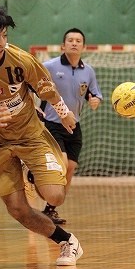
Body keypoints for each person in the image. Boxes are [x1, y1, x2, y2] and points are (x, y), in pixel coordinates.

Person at [0, 0, 83, 267]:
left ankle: (31, 171)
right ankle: (67, 242)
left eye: (4, 36)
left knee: (54, 196)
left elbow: (45, 87)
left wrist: (64, 112)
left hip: (30, 136)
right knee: (18, 210)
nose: (2, 43)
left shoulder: (20, 60)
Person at [38, 28, 102, 224]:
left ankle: (50, 209)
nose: (74, 43)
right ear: (63, 45)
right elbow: (33, 86)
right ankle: (36, 177)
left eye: (78, 40)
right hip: (52, 124)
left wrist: (95, 101)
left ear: (84, 46)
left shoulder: (88, 71)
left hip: (74, 125)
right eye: (70, 40)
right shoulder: (49, 66)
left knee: (71, 167)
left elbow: (94, 94)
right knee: (63, 163)